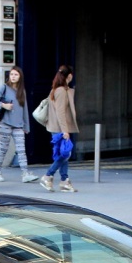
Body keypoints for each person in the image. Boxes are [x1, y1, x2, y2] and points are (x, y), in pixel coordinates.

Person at [0, 65, 39, 183]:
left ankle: (25, 173)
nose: (13, 77)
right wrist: (3, 105)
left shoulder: (22, 91)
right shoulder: (4, 87)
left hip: (18, 125)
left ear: (20, 77)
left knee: (21, 150)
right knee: (3, 149)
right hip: (5, 123)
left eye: (16, 75)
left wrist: (26, 126)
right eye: (11, 74)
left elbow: (25, 109)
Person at [41, 65, 79, 193]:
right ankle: (48, 175)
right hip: (59, 128)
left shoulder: (57, 89)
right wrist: (65, 130)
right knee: (65, 154)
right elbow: (60, 112)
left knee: (64, 154)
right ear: (69, 76)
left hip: (56, 127)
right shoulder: (61, 91)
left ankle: (64, 180)